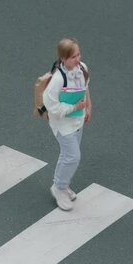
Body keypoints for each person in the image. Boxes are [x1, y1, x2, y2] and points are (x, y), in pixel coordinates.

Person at [42, 37, 92, 211]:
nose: (77, 59)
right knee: (73, 156)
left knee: (67, 155)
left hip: (78, 120)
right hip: (63, 125)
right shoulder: (57, 80)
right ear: (63, 58)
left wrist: (88, 107)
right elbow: (51, 106)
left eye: (78, 54)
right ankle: (59, 188)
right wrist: (75, 107)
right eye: (73, 57)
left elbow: (86, 88)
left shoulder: (83, 69)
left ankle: (62, 184)